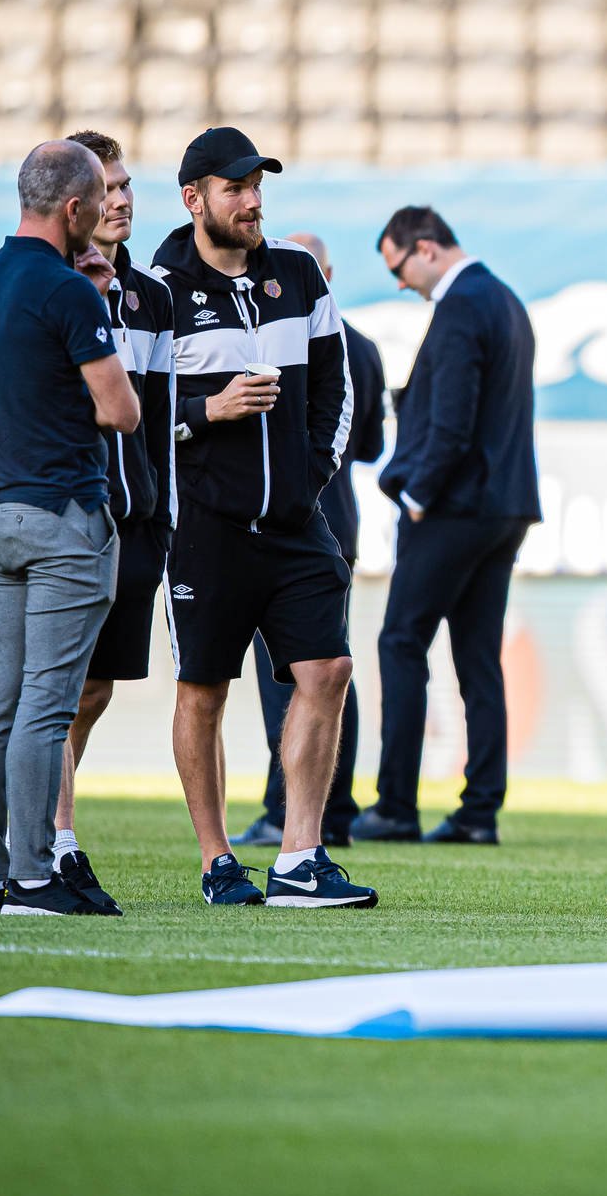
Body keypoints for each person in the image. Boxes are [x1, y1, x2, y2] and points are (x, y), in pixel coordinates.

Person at [152, 126, 376, 908]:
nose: (252, 202)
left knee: (329, 670)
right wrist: (206, 411)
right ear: (195, 199)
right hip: (203, 531)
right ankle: (217, 860)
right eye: (235, 189)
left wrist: (306, 482)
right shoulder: (157, 290)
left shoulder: (298, 272)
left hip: (294, 523)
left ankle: (300, 856)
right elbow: (136, 414)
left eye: (258, 188)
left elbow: (337, 390)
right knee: (203, 691)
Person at [0, 139, 138, 917]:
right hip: (64, 515)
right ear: (73, 207)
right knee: (47, 705)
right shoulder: (68, 293)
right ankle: (34, 876)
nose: (107, 213)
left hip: (0, 508)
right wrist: (92, 300)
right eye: (99, 201)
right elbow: (121, 411)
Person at [353, 206, 541, 845]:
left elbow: (453, 421)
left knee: (401, 642)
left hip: (456, 507)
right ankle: (479, 812)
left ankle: (395, 807)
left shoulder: (461, 305)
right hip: (504, 507)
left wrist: (418, 494)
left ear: (426, 248)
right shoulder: (505, 299)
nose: (400, 282)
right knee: (478, 659)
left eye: (399, 267)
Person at [44, 129, 174, 916]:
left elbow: (161, 416)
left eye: (127, 186)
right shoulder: (51, 288)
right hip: (72, 519)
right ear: (77, 203)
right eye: (108, 188)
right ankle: (54, 837)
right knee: (57, 688)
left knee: (94, 689)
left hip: (140, 523)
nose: (121, 200)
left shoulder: (152, 298)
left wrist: (163, 508)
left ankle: (47, 821)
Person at [231, 231, 387, 850]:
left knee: (288, 678)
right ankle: (336, 811)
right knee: (329, 668)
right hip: (338, 519)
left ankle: (285, 812)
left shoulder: (267, 340)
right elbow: (369, 445)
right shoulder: (362, 346)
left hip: (288, 521)